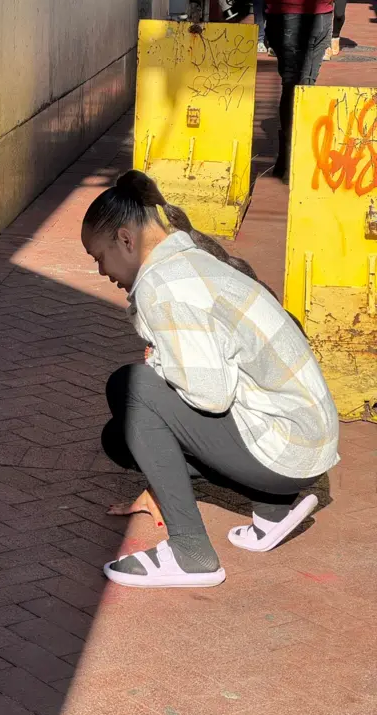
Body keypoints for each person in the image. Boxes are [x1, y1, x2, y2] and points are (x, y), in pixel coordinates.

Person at [81, 171, 339, 589]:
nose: (99, 270)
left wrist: (156, 371)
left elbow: (210, 396)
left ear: (126, 240)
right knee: (121, 435)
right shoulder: (187, 258)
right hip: (305, 441)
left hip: (288, 449)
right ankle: (274, 507)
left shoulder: (163, 286)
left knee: (132, 388)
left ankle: (191, 553)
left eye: (99, 257)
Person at [258, 0, 354, 182]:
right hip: (287, 14)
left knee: (307, 84)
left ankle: (295, 154)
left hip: (322, 14)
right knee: (292, 83)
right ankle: (288, 153)